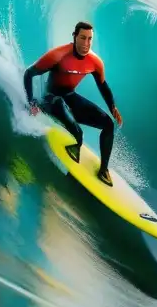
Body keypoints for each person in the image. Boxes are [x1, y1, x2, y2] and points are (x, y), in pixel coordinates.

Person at [24, 21, 123, 186]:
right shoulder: (58, 55)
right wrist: (31, 101)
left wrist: (113, 107)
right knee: (77, 130)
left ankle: (103, 170)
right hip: (50, 99)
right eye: (83, 38)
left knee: (108, 124)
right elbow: (29, 74)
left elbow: (103, 86)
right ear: (75, 37)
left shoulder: (95, 62)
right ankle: (76, 142)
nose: (86, 43)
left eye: (90, 39)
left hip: (69, 97)